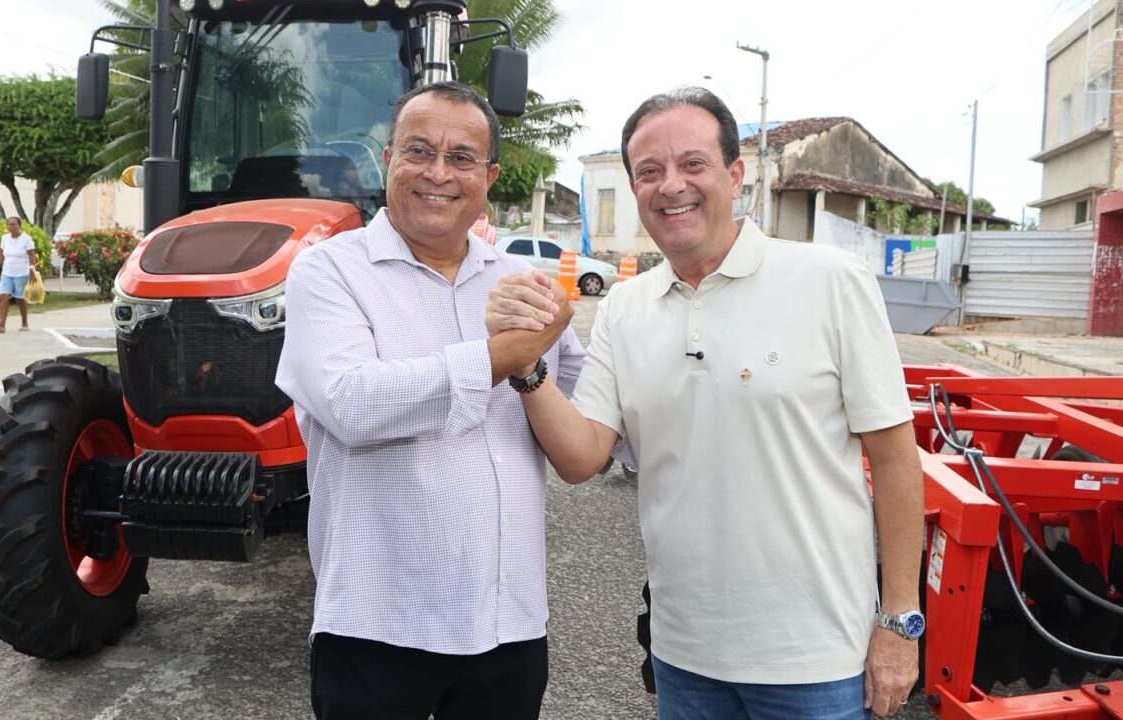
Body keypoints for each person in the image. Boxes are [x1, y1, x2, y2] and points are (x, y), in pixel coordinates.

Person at [486, 87, 924, 719]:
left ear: (735, 174)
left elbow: (894, 459)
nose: (672, 186)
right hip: (684, 656)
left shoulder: (830, 281)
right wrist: (525, 363)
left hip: (818, 660)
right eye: (649, 172)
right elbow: (582, 457)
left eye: (693, 164)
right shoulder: (625, 308)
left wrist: (899, 620)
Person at [275, 81, 579, 720]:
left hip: (508, 622)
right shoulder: (329, 271)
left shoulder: (520, 287)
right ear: (388, 161)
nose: (439, 173)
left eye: (462, 158)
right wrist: (505, 356)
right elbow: (352, 404)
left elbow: (579, 427)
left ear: (489, 177)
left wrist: (533, 370)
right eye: (419, 151)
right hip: (376, 622)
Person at [0, 216, 37, 333]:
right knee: (3, 296)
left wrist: (32, 270)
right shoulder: (5, 238)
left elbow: (32, 255)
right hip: (7, 273)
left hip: (21, 273)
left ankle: (24, 323)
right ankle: (1, 325)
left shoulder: (26, 239)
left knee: (20, 299)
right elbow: (1, 255)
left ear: (19, 225)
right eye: (9, 224)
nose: (11, 226)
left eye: (13, 224)